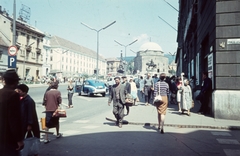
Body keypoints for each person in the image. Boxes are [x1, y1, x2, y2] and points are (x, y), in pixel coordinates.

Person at [0, 69, 24, 155]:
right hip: (8, 137)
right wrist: (19, 140)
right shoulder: (13, 95)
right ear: (15, 82)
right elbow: (14, 119)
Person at [16, 84, 40, 155]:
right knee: (27, 140)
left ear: (24, 92)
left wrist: (29, 124)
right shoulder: (23, 99)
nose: (18, 92)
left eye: (19, 91)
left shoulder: (29, 101)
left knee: (29, 139)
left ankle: (31, 152)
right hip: (24, 122)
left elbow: (30, 113)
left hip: (27, 124)